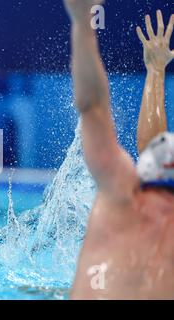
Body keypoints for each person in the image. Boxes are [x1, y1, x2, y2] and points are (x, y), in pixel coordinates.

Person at [63, 0, 174, 299]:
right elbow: (92, 107)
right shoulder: (123, 192)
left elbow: (93, 108)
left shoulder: (123, 195)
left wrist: (83, 24)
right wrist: (82, 26)